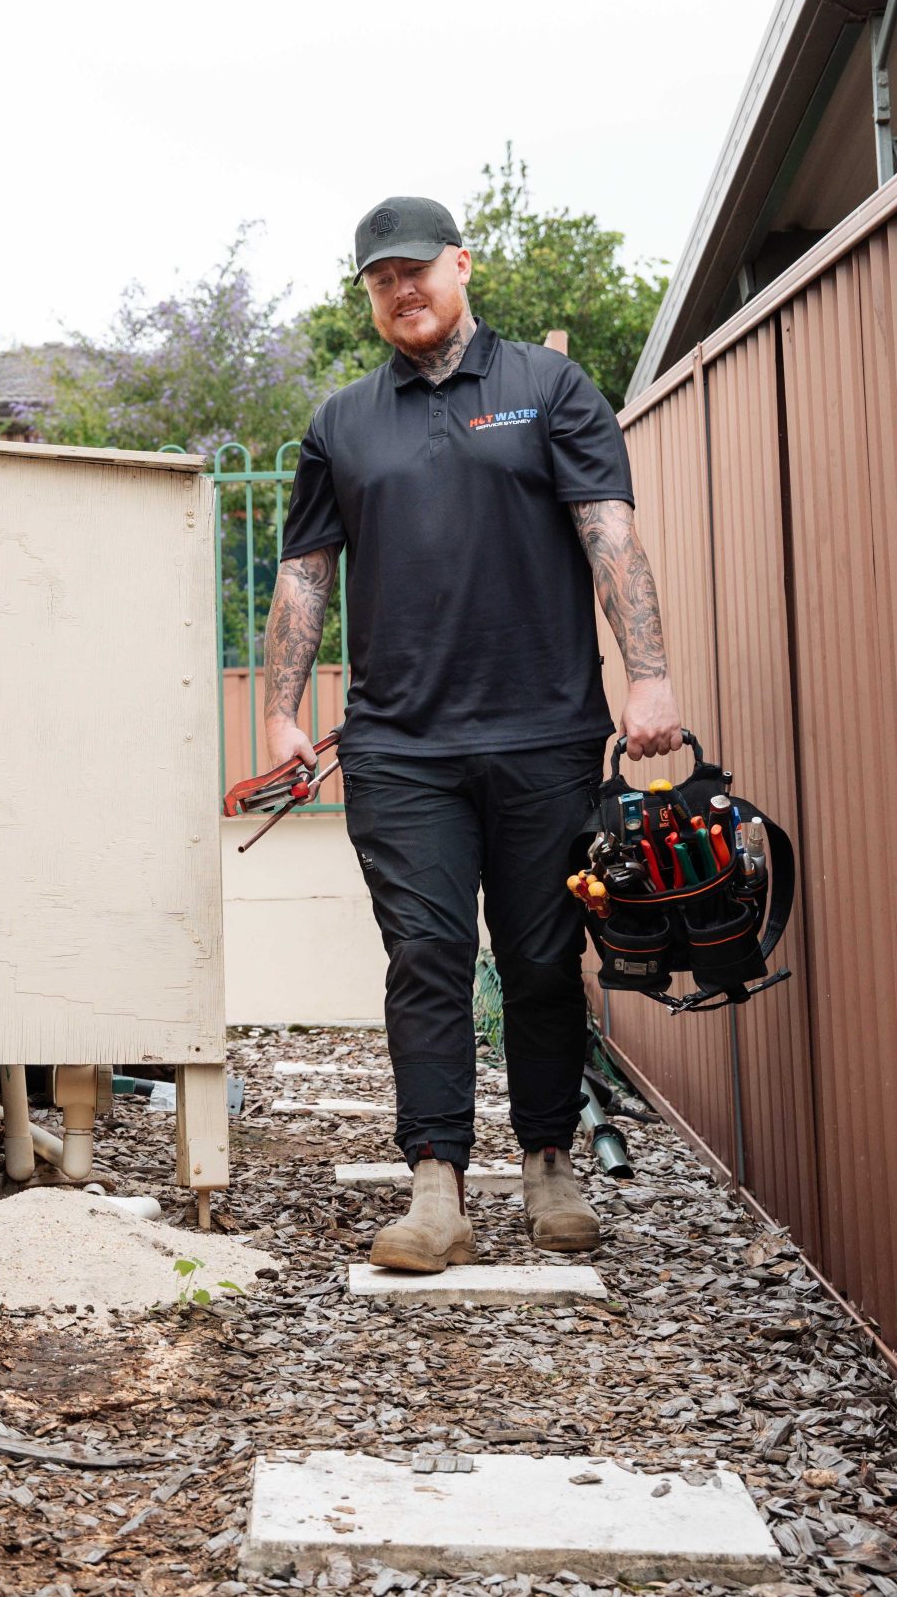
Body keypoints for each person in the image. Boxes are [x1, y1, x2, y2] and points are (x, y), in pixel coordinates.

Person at [261, 195, 682, 1271]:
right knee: (428, 956)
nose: (401, 291)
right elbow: (306, 575)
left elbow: (610, 539)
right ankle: (435, 1185)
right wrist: (279, 710)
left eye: (415, 270)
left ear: (460, 265)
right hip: (400, 745)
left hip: (544, 733)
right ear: (369, 295)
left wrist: (648, 679)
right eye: (379, 280)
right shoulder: (342, 422)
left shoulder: (548, 391)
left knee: (543, 957)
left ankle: (547, 1160)